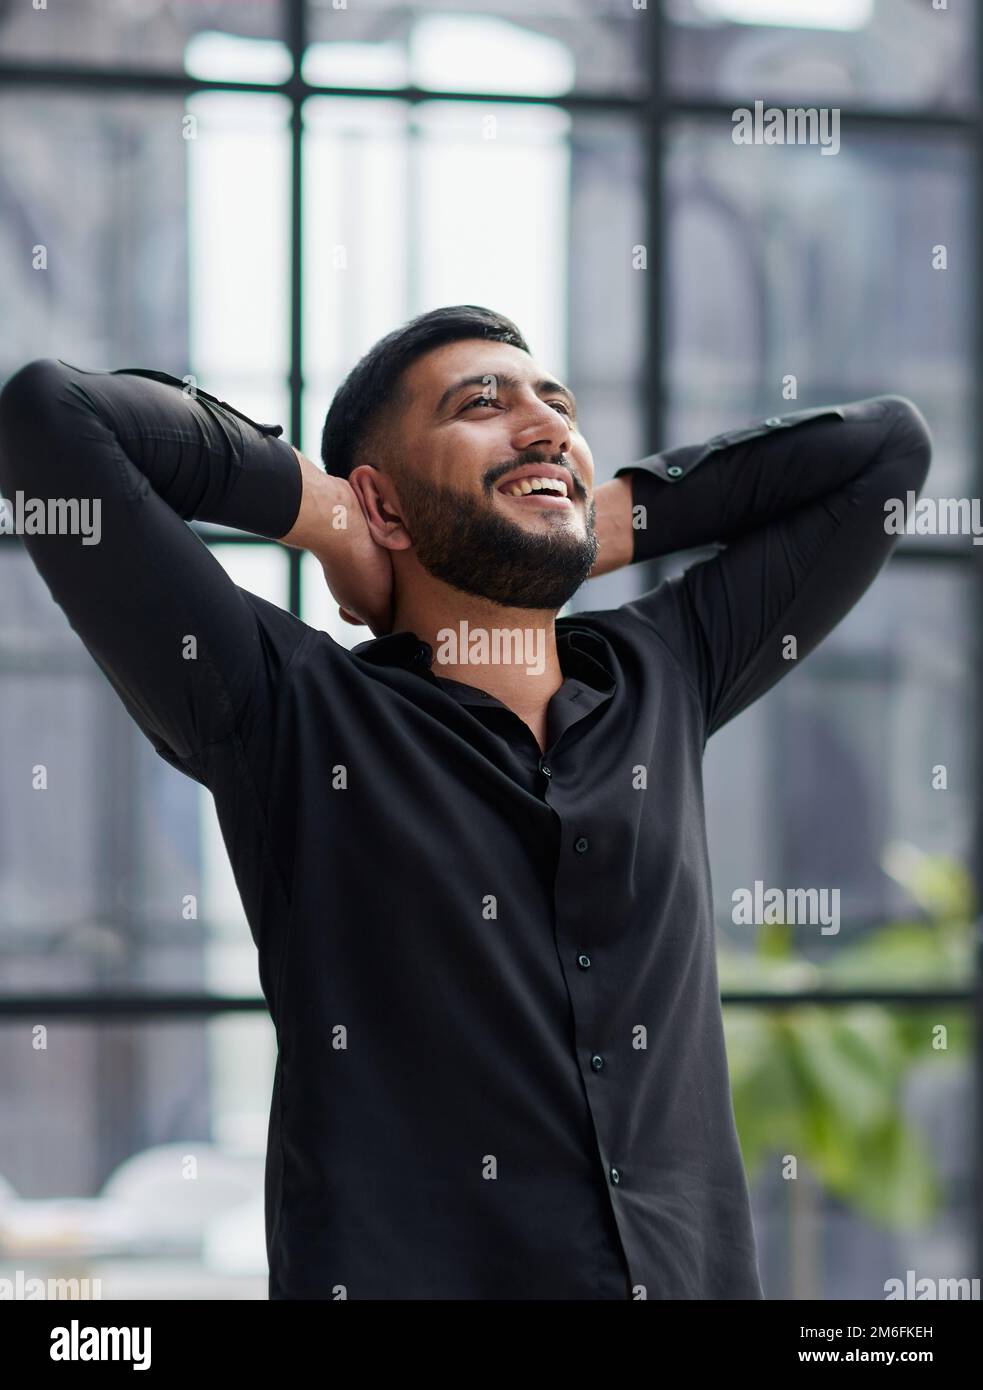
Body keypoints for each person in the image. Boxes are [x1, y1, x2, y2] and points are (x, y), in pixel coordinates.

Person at [0, 305, 932, 1300]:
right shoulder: (287, 713)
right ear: (385, 506)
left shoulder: (663, 673)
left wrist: (577, 519)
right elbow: (53, 419)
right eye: (479, 406)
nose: (542, 424)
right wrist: (327, 514)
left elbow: (884, 455)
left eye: (556, 407)